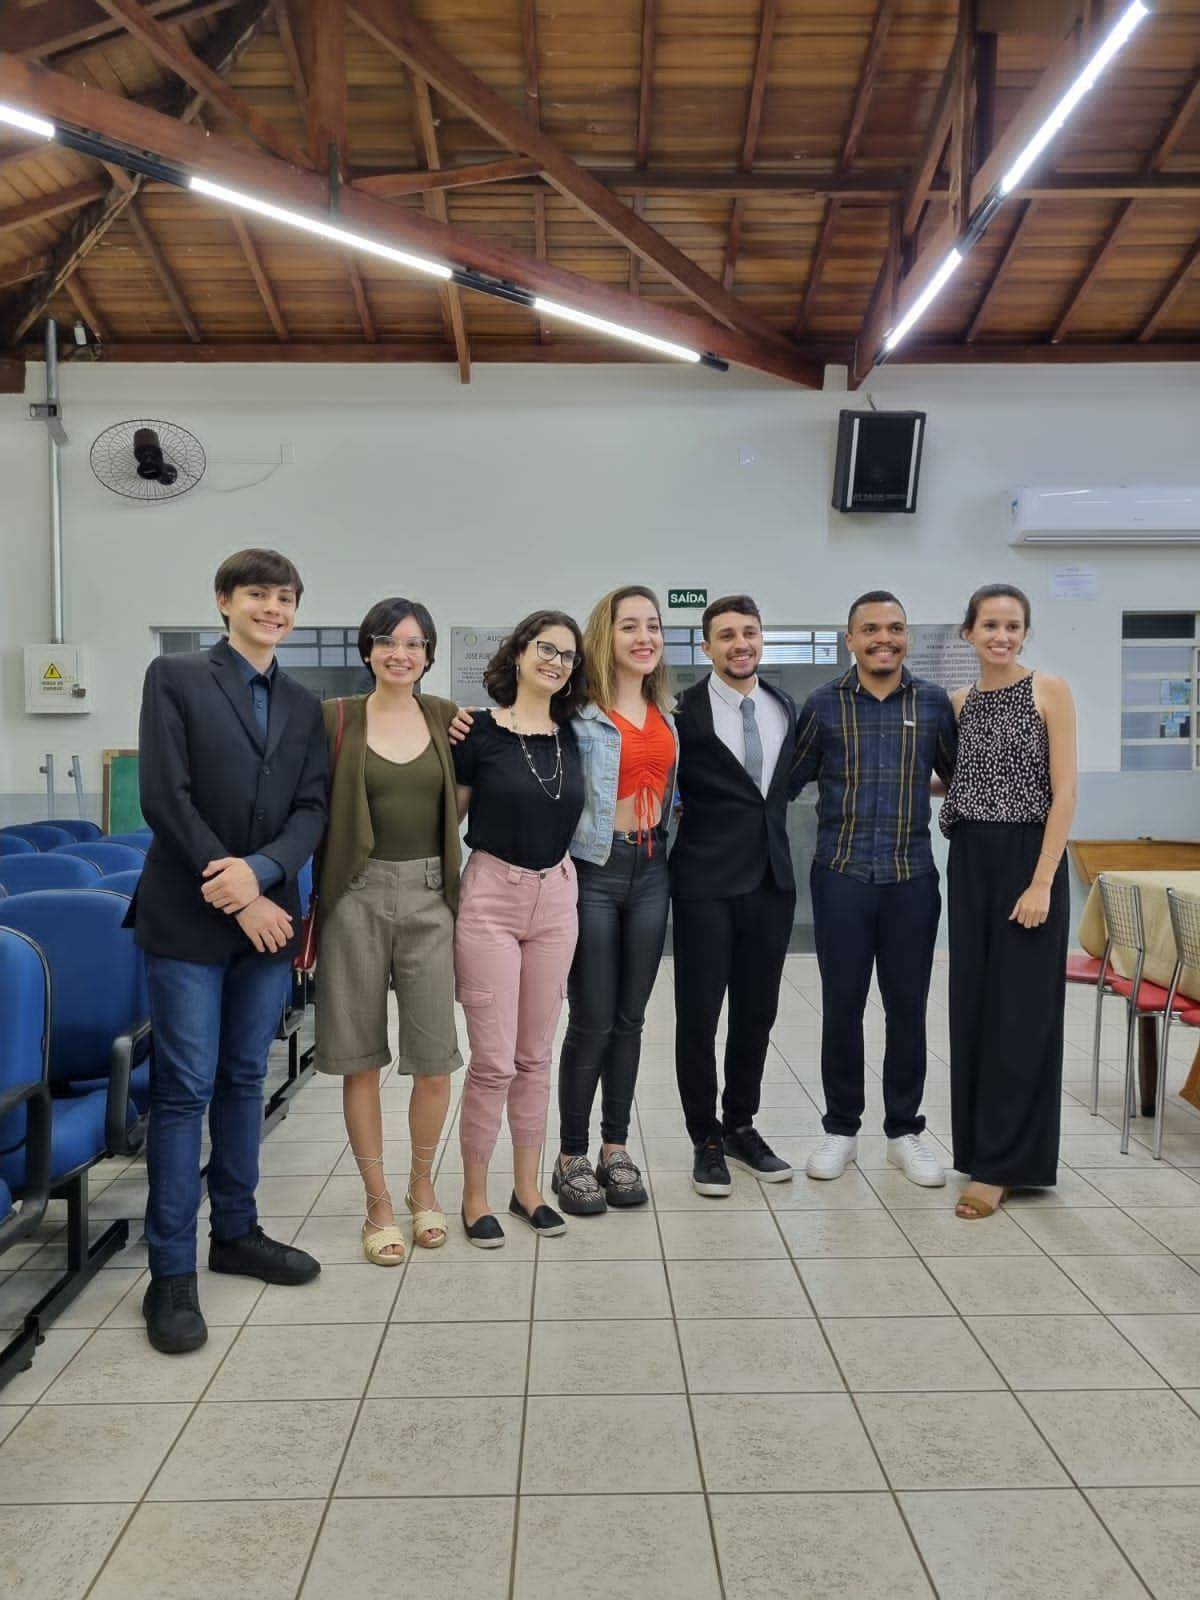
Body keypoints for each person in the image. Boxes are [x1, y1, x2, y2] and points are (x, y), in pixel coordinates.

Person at [130, 549, 328, 1355]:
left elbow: (312, 808)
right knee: (183, 1090)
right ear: (224, 601)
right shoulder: (175, 677)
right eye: (257, 595)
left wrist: (267, 873)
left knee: (245, 1078)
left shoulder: (304, 705)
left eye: (285, 599)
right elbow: (163, 796)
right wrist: (237, 886)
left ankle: (236, 1233)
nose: (273, 609)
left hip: (269, 919)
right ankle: (171, 1272)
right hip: (189, 913)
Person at [449, 586, 678, 1216]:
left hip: (630, 873)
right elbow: (455, 803)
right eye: (629, 625)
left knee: (614, 1025)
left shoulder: (654, 717)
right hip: (567, 875)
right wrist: (448, 715)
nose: (644, 636)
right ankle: (553, 1161)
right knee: (571, 1027)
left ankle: (600, 1153)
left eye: (653, 625)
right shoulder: (569, 722)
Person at [314, 598, 462, 1264]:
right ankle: (376, 1201)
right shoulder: (336, 719)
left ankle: (421, 1183)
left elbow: (467, 790)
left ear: (428, 654)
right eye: (387, 641)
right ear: (367, 650)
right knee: (360, 1059)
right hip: (355, 896)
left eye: (414, 643)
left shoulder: (445, 717)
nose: (400, 653)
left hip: (431, 896)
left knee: (434, 1060)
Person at [792, 591, 957, 1188]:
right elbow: (786, 779)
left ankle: (903, 1131)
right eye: (870, 629)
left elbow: (959, 778)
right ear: (851, 639)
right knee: (842, 1006)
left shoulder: (933, 703)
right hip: (841, 876)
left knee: (907, 1008)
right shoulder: (823, 704)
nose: (883, 638)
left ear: (905, 636)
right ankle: (841, 1129)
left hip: (911, 878)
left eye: (894, 628)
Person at [941, 584, 1076, 1219]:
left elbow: (1065, 792)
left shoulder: (1048, 690)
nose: (1001, 635)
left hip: (1029, 859)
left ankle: (1003, 1166)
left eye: (1013, 626)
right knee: (973, 1007)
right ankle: (978, 1150)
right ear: (968, 632)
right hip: (970, 859)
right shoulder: (958, 702)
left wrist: (1042, 880)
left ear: (1024, 633)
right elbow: (959, 780)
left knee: (1020, 1014)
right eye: (990, 624)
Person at [452, 611, 587, 1246]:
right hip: (491, 899)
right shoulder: (477, 731)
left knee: (535, 1057)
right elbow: (447, 820)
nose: (556, 662)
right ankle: (474, 1196)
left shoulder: (578, 734)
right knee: (493, 1062)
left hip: (557, 897)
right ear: (519, 652)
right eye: (545, 648)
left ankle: (527, 1189)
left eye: (567, 655)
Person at [671, 594, 797, 1198]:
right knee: (699, 1016)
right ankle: (706, 1138)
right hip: (704, 884)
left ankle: (741, 1124)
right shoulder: (681, 712)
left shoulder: (783, 706)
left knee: (757, 1012)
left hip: (771, 882)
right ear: (706, 647)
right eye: (726, 635)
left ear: (761, 638)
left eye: (749, 632)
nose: (739, 644)